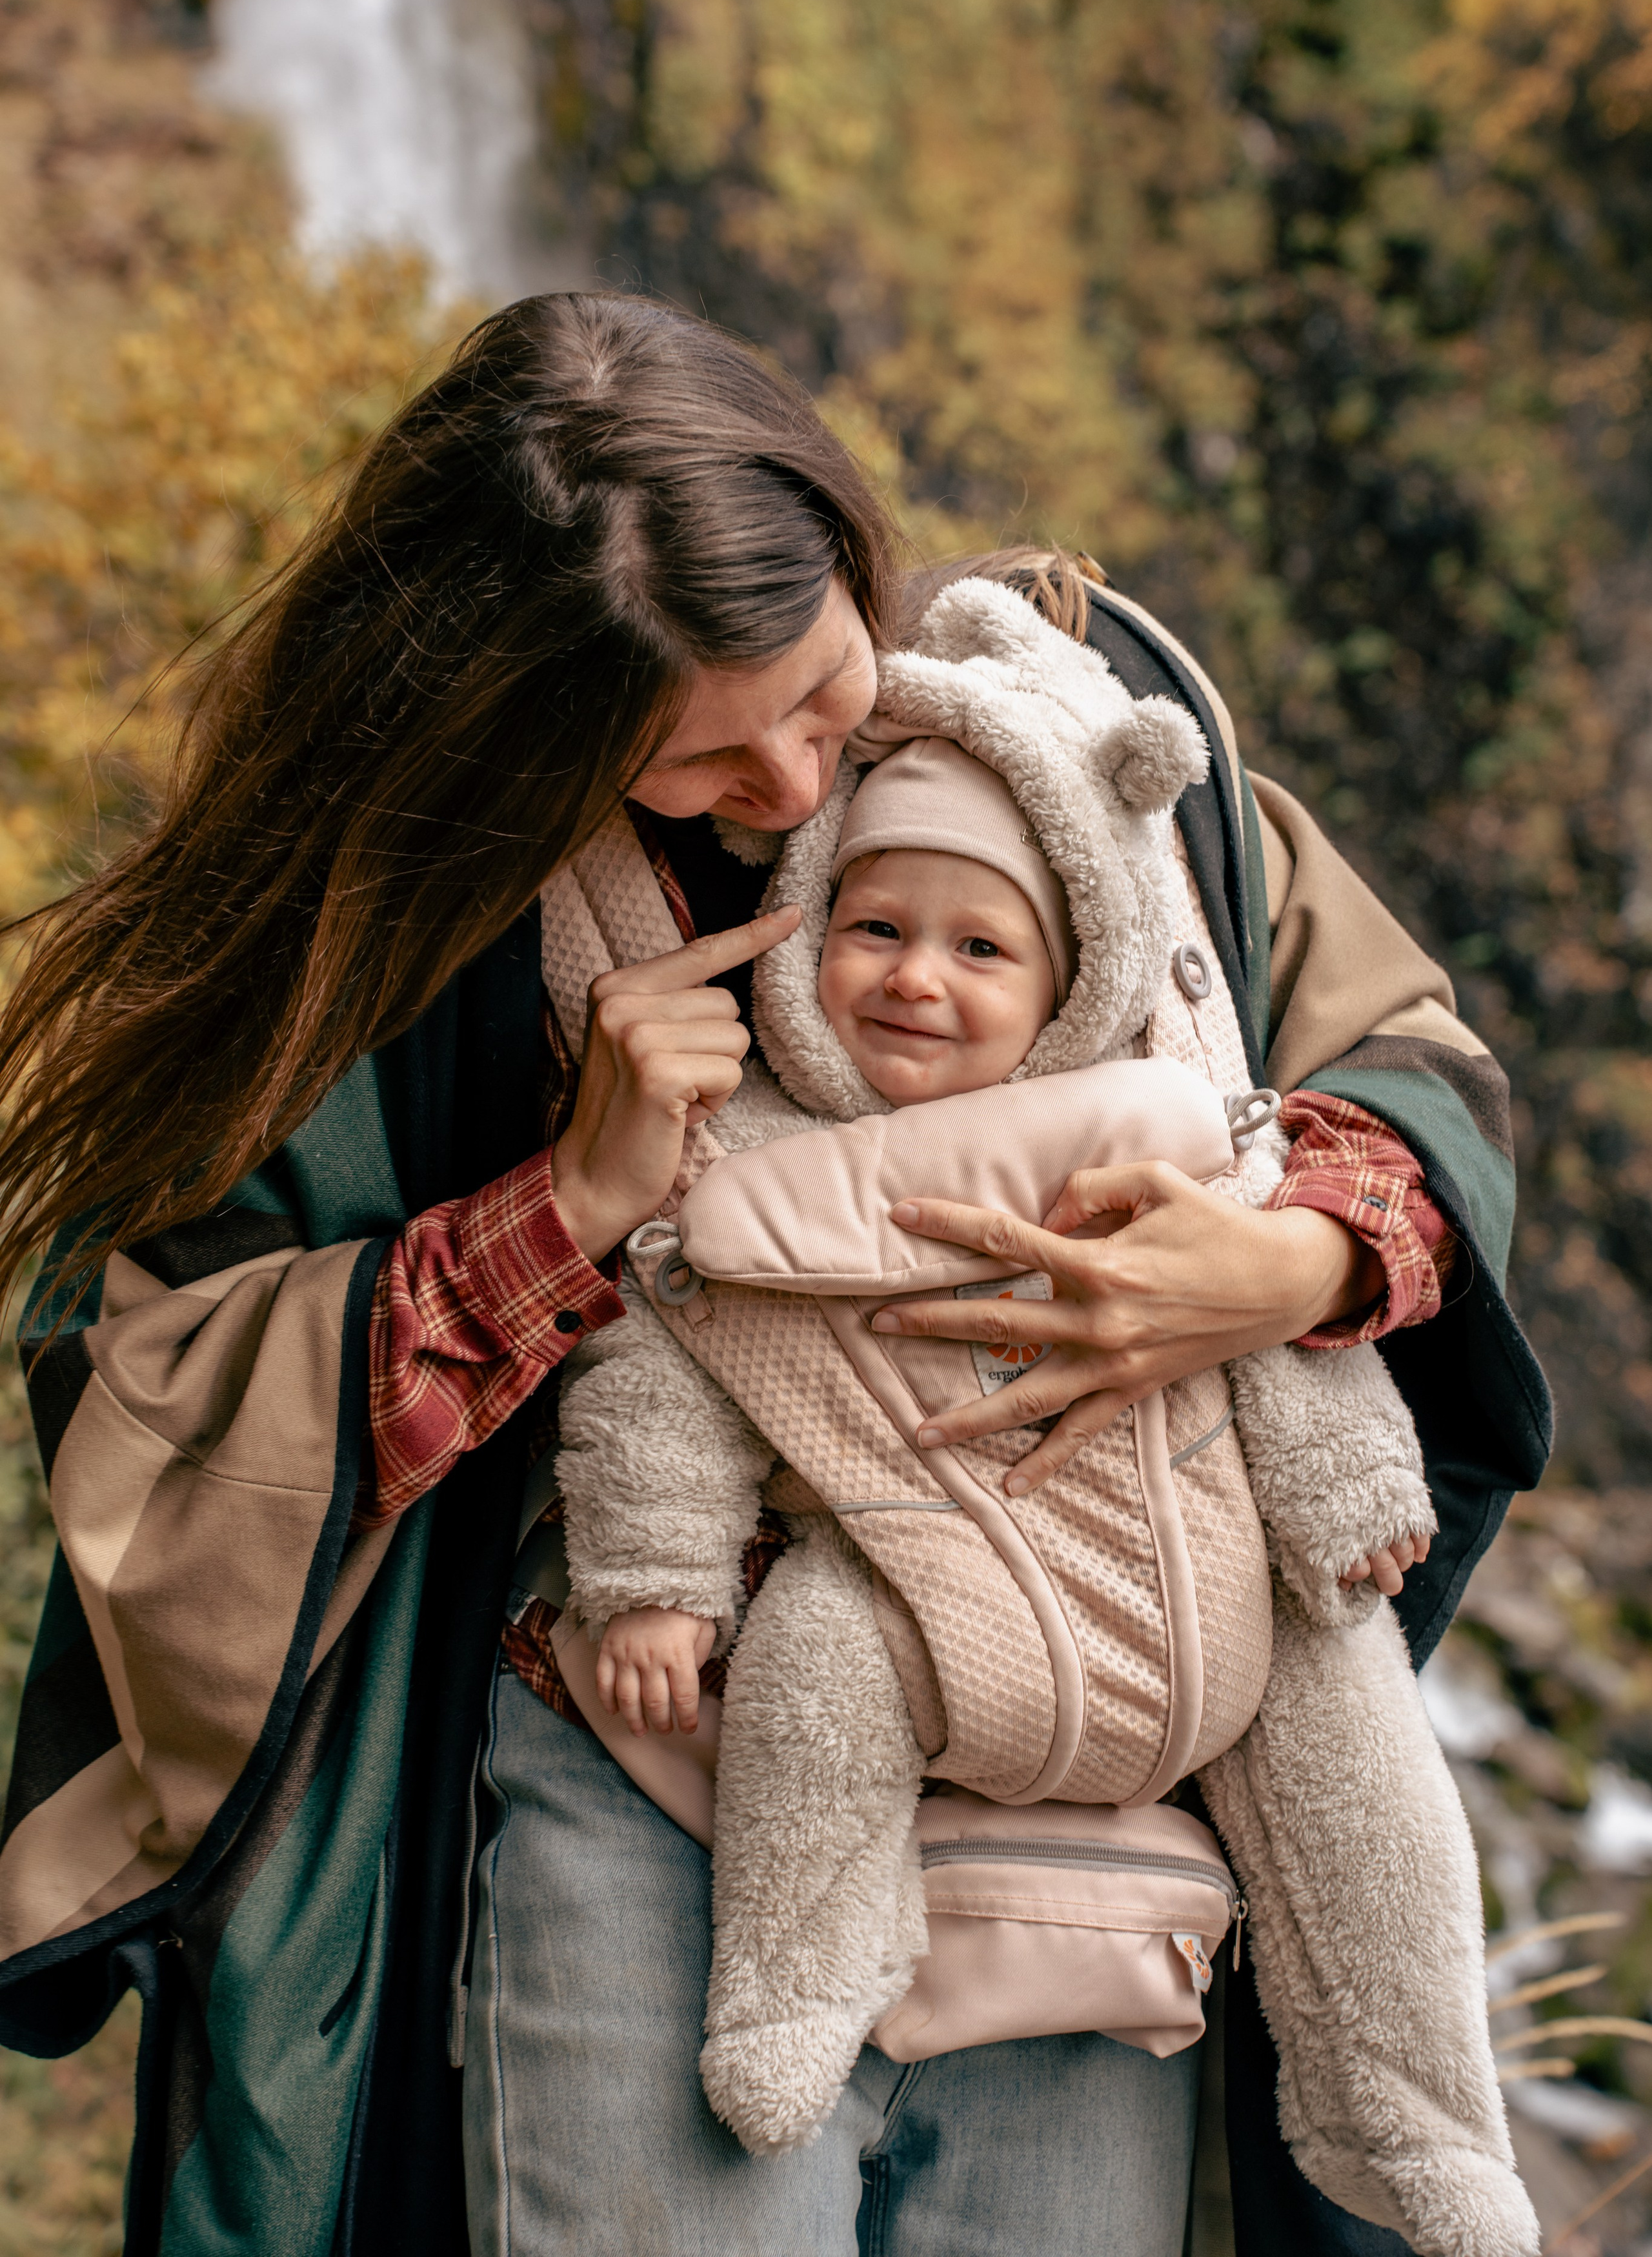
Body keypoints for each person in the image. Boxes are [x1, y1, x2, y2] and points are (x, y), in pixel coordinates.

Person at [0, 292, 1550, 2257]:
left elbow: (1399, 1066)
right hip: (630, 1764)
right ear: (520, 735)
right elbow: (151, 1385)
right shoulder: (378, 925)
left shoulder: (1056, 734)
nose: (805, 800)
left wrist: (1287, 1262)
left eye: (820, 697)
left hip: (1089, 1761)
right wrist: (560, 1209)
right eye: (698, 769)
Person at [550, 591, 1534, 2257]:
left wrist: (1303, 1306)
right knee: (819, 1673)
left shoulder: (1167, 1086)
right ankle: (799, 1981)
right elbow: (661, 1352)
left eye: (983, 948)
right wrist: (657, 1568)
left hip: (1191, 1591)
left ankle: (1420, 2118)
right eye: (870, 932)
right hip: (881, 1592)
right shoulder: (740, 1140)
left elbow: (1379, 1138)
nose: (917, 981)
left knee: (1360, 1780)